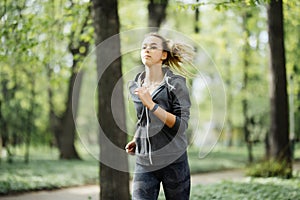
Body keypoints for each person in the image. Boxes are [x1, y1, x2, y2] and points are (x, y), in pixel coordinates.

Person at [125, 32, 194, 200]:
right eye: (144, 47)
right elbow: (142, 119)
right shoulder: (136, 84)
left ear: (164, 55)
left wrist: (152, 105)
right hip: (144, 162)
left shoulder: (176, 83)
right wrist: (137, 138)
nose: (147, 50)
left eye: (153, 47)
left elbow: (181, 125)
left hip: (174, 161)